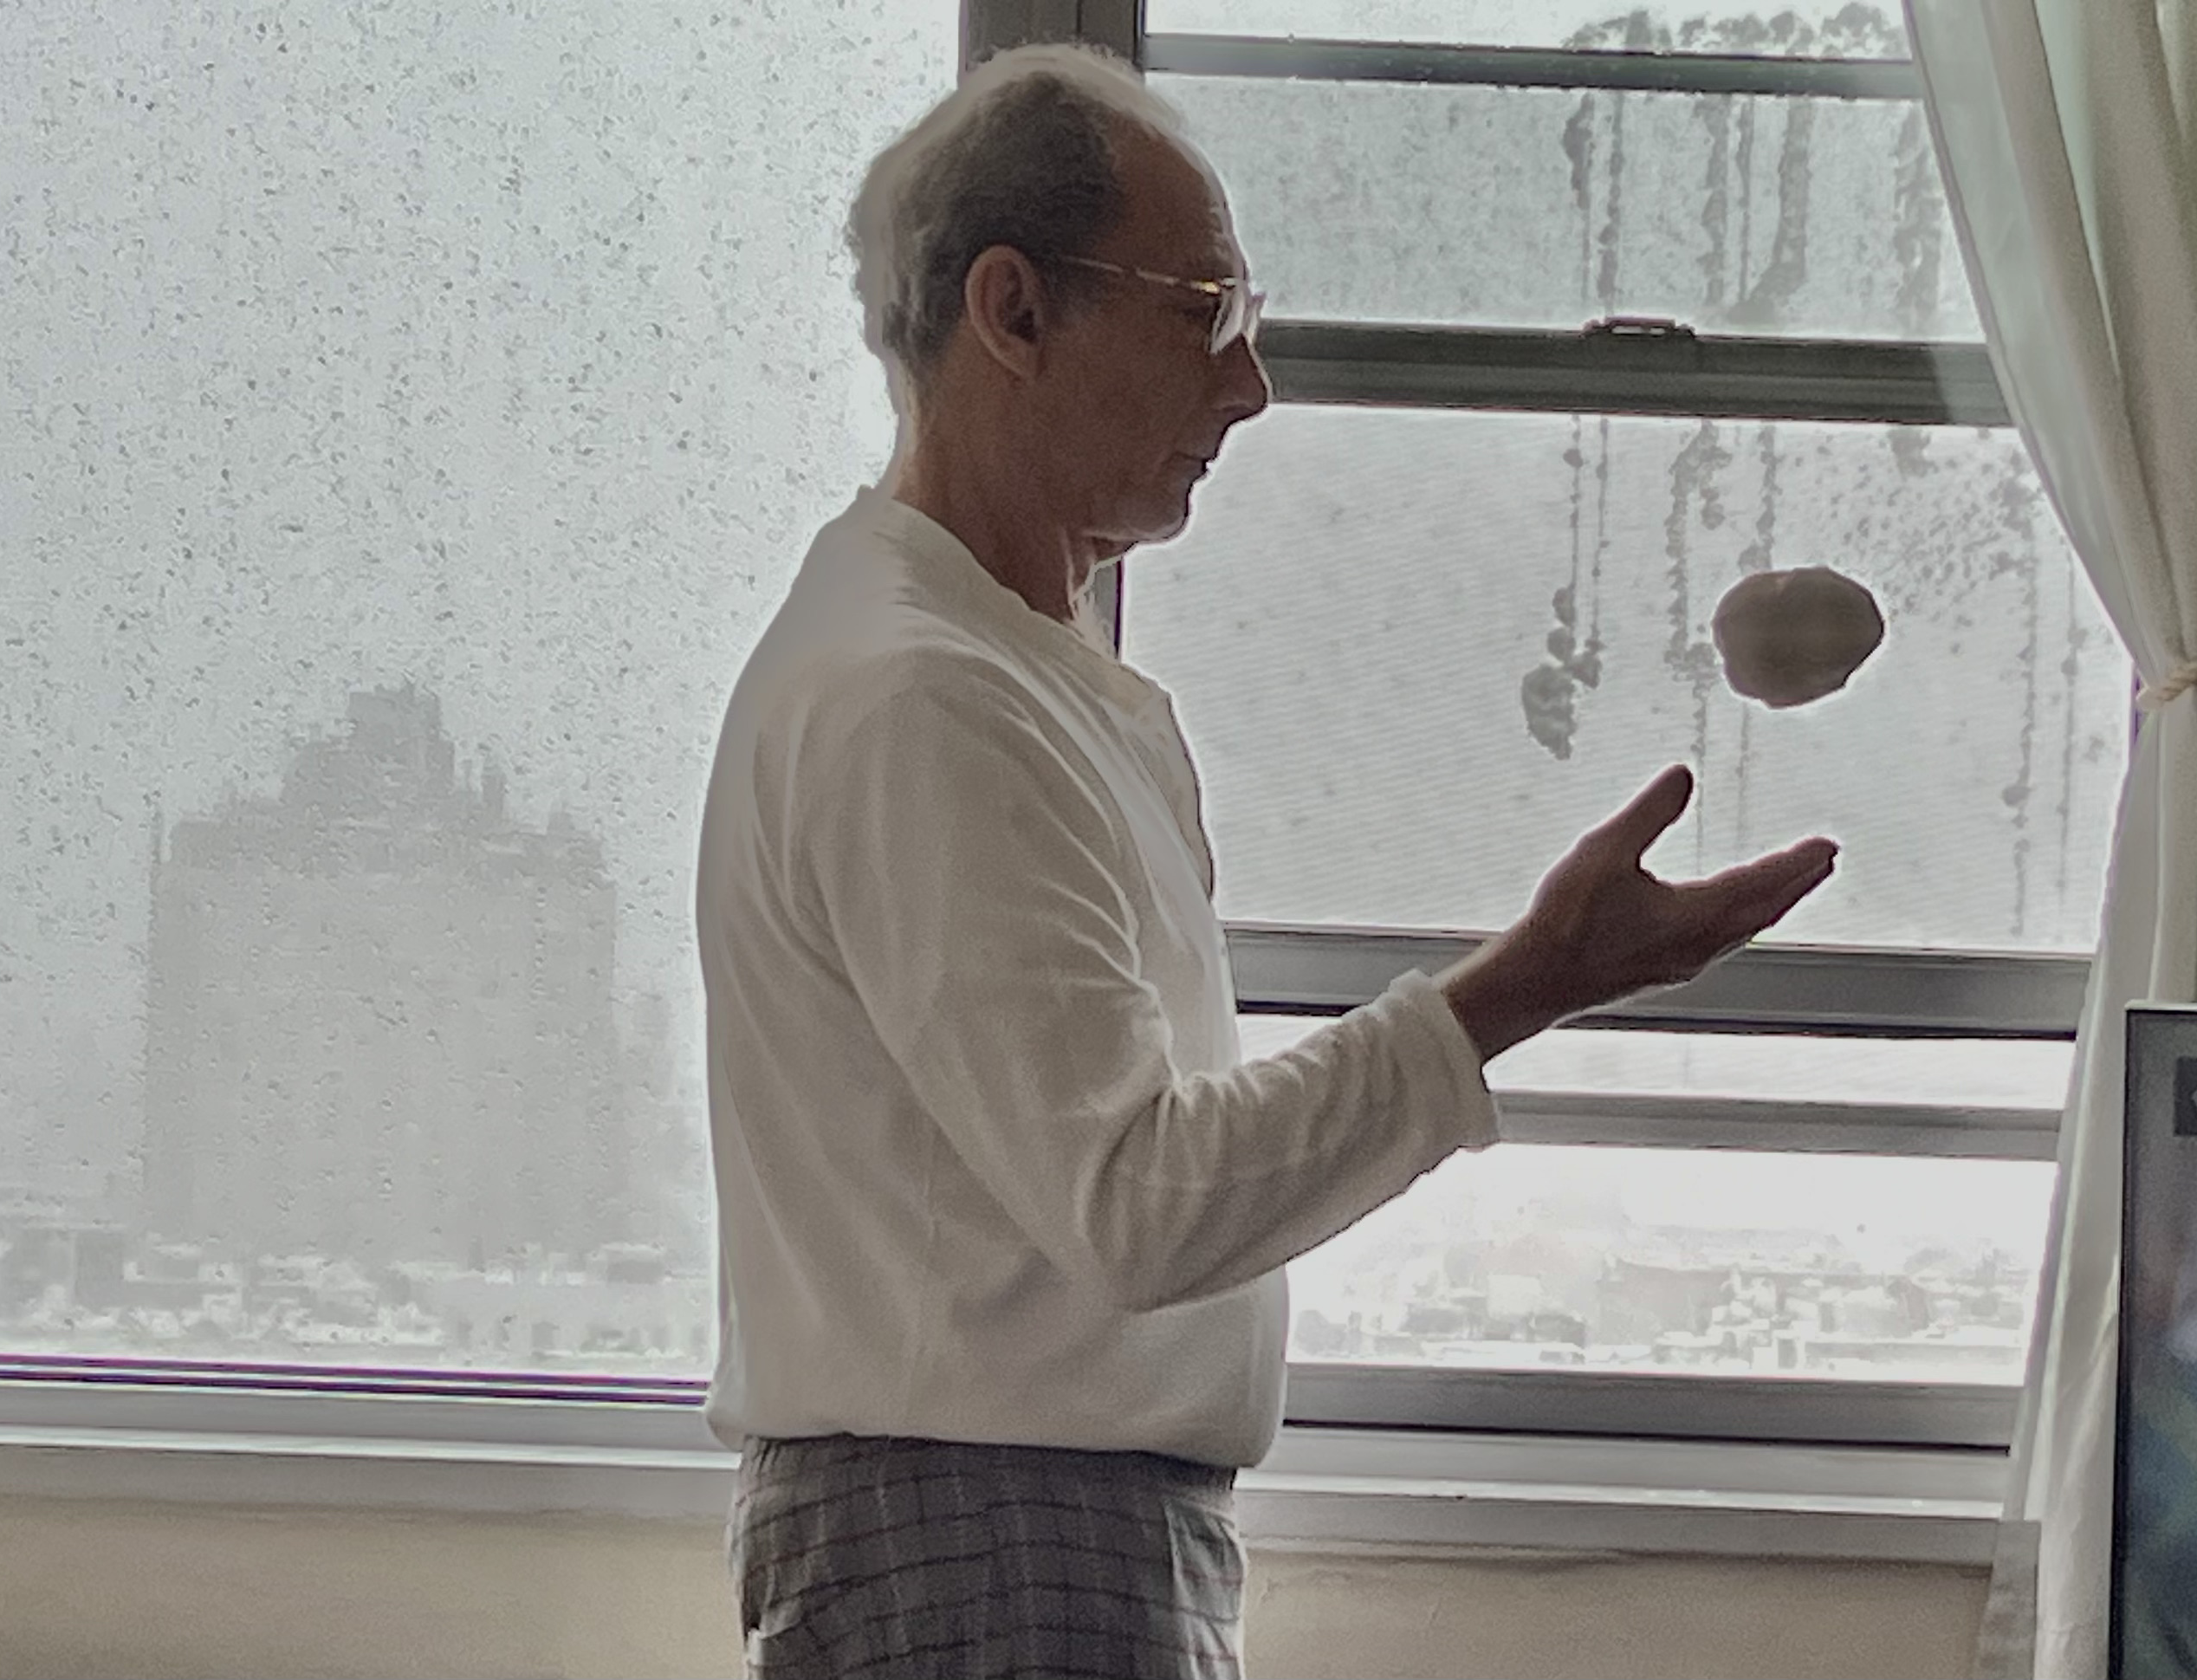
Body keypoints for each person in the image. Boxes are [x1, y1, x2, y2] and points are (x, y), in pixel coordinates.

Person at [691, 42, 1840, 1679]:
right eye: (1204, 312)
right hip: (991, 1553)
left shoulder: (991, 667)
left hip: (1020, 1536)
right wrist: (1525, 987)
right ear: (1011, 314)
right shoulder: (921, 697)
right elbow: (1138, 1207)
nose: (1251, 386)